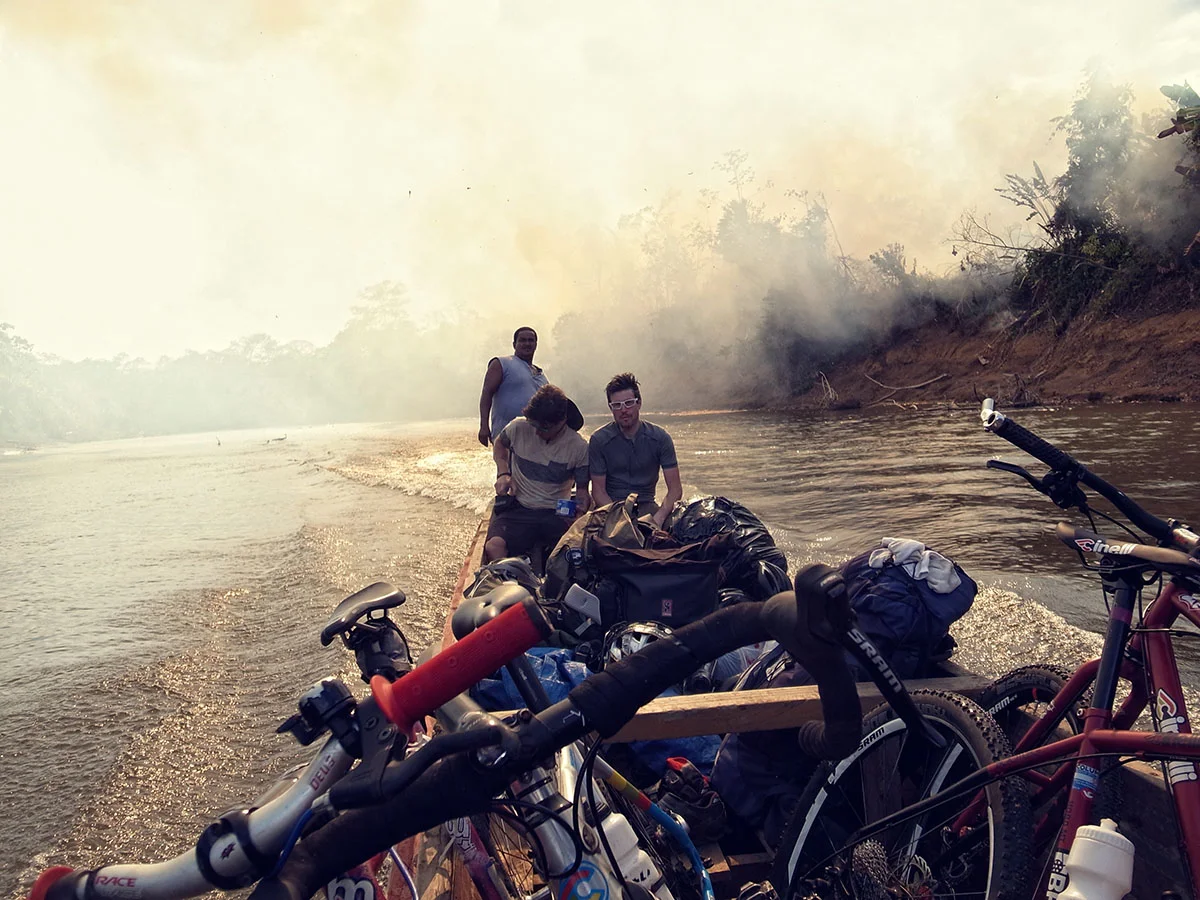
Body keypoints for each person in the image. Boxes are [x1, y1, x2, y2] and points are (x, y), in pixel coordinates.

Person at [485, 384, 590, 563]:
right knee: (493, 546)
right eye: (534, 424)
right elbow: (500, 444)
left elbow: (582, 491)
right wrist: (503, 473)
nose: (536, 431)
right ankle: (505, 582)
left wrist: (580, 513)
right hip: (520, 507)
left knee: (577, 552)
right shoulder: (518, 427)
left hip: (556, 512)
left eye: (544, 428)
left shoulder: (578, 447)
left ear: (562, 420)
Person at [589, 372, 682, 529]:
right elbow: (598, 492)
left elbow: (675, 490)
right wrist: (619, 519)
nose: (623, 410)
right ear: (610, 408)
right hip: (611, 507)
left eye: (629, 403)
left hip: (647, 504)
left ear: (639, 403)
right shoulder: (599, 440)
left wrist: (659, 518)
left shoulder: (660, 438)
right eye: (616, 405)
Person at [478, 326, 548, 446]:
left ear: (536, 344)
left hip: (536, 440)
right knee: (506, 465)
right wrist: (484, 426)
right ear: (514, 344)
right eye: (522, 340)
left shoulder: (541, 376)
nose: (527, 343)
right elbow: (487, 393)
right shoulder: (502, 363)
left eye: (531, 340)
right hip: (507, 437)